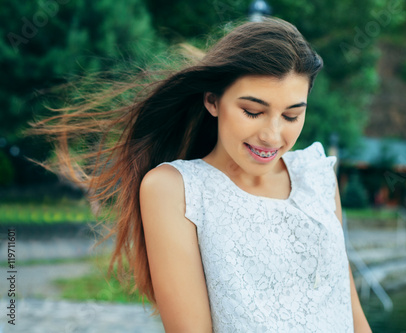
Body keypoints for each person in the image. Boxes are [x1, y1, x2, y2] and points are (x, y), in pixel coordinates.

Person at [32, 17, 371, 332]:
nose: (272, 135)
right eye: (253, 112)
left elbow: (350, 309)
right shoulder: (176, 189)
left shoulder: (316, 175)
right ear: (212, 101)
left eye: (292, 115)